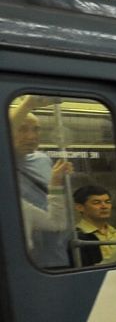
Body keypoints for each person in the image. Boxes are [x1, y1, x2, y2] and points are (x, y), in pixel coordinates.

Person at [11, 103, 75, 268]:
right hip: (26, 257)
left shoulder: (43, 159)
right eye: (22, 129)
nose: (31, 136)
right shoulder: (5, 161)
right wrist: (28, 103)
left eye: (36, 129)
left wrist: (56, 181)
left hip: (59, 251)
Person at [73, 182, 116, 266]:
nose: (104, 206)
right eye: (96, 202)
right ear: (80, 207)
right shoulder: (76, 238)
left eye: (107, 202)